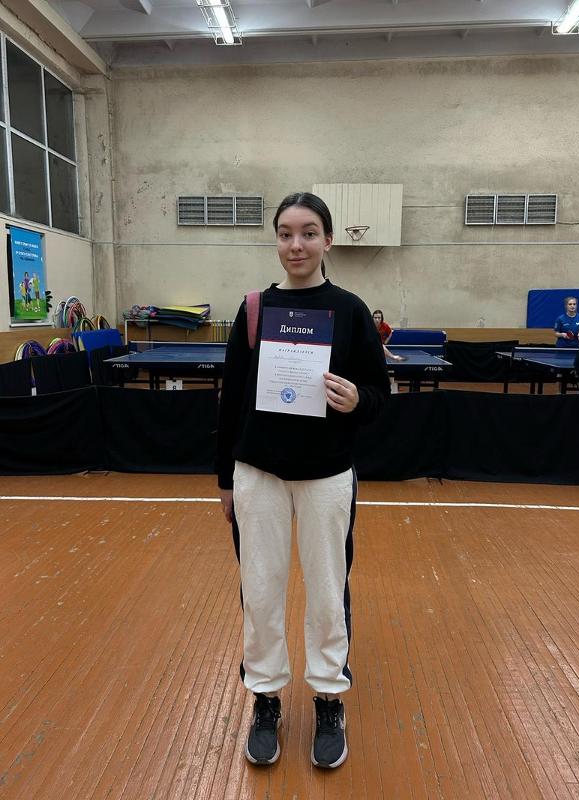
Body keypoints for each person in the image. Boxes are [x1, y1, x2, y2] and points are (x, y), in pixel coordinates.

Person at [216, 191, 390, 769]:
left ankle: (328, 699)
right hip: (257, 473)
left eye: (309, 233)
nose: (297, 244)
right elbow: (230, 400)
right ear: (276, 240)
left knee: (327, 590)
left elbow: (379, 394)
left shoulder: (351, 310)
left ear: (328, 240)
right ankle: (265, 697)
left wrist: (357, 400)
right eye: (286, 233)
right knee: (261, 589)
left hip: (327, 475)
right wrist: (224, 479)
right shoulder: (254, 309)